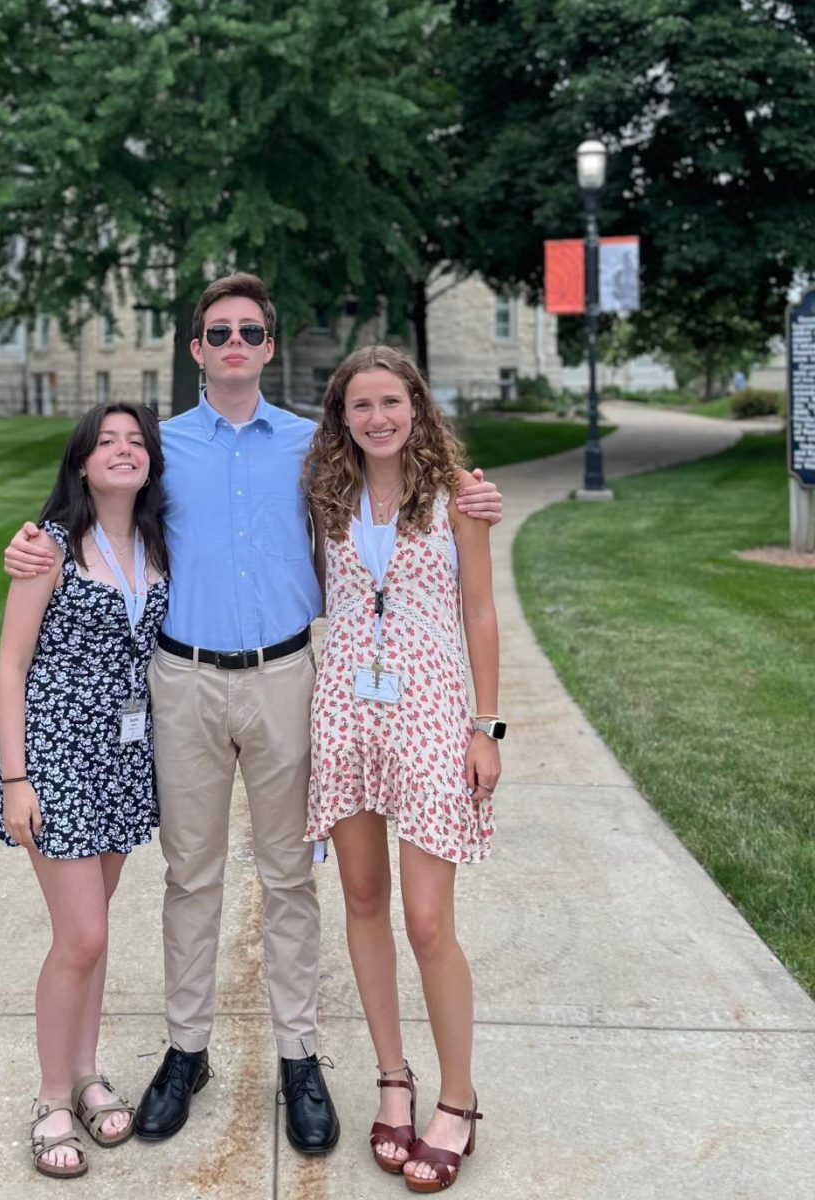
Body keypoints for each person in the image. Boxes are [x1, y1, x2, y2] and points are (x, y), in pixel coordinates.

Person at [2, 273, 504, 1156]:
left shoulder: (318, 446)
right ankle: (186, 1049)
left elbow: (403, 465)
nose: (234, 345)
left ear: (270, 346)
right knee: (191, 875)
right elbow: (98, 502)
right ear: (196, 348)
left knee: (288, 879)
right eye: (217, 332)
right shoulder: (159, 447)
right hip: (183, 682)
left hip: (288, 678)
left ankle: (299, 1054)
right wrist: (32, 536)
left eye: (250, 332)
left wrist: (472, 492)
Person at [304, 345, 501, 1193]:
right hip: (345, 712)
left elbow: (482, 612)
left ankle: (457, 1098)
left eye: (392, 402)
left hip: (427, 713)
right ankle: (393, 1075)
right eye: (361, 406)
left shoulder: (460, 495)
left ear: (416, 407)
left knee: (427, 920)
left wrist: (485, 727)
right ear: (341, 417)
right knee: (361, 900)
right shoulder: (326, 495)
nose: (378, 418)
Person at [0, 402, 169, 1179]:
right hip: (59, 760)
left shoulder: (159, 542)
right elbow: (10, 665)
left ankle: (89, 1071)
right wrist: (15, 777)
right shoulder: (49, 548)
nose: (123, 451)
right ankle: (51, 1097)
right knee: (83, 937)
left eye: (136, 442)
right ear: (83, 461)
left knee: (93, 934)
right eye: (108, 442)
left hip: (127, 761)